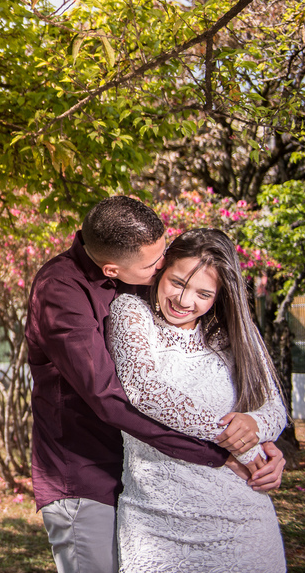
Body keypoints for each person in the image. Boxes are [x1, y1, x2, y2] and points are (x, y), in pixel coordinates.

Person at [26, 196, 284, 573]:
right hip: (86, 471)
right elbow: (110, 398)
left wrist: (258, 437)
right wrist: (224, 450)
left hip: (140, 470)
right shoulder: (61, 291)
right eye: (156, 263)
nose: (163, 265)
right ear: (112, 269)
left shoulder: (138, 276)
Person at [109, 228, 287, 572]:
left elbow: (275, 408)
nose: (185, 301)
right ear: (161, 269)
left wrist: (256, 428)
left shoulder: (232, 335)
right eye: (177, 283)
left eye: (204, 293)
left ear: (220, 295)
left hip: (245, 519)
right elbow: (144, 390)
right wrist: (243, 446)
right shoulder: (131, 312)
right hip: (157, 523)